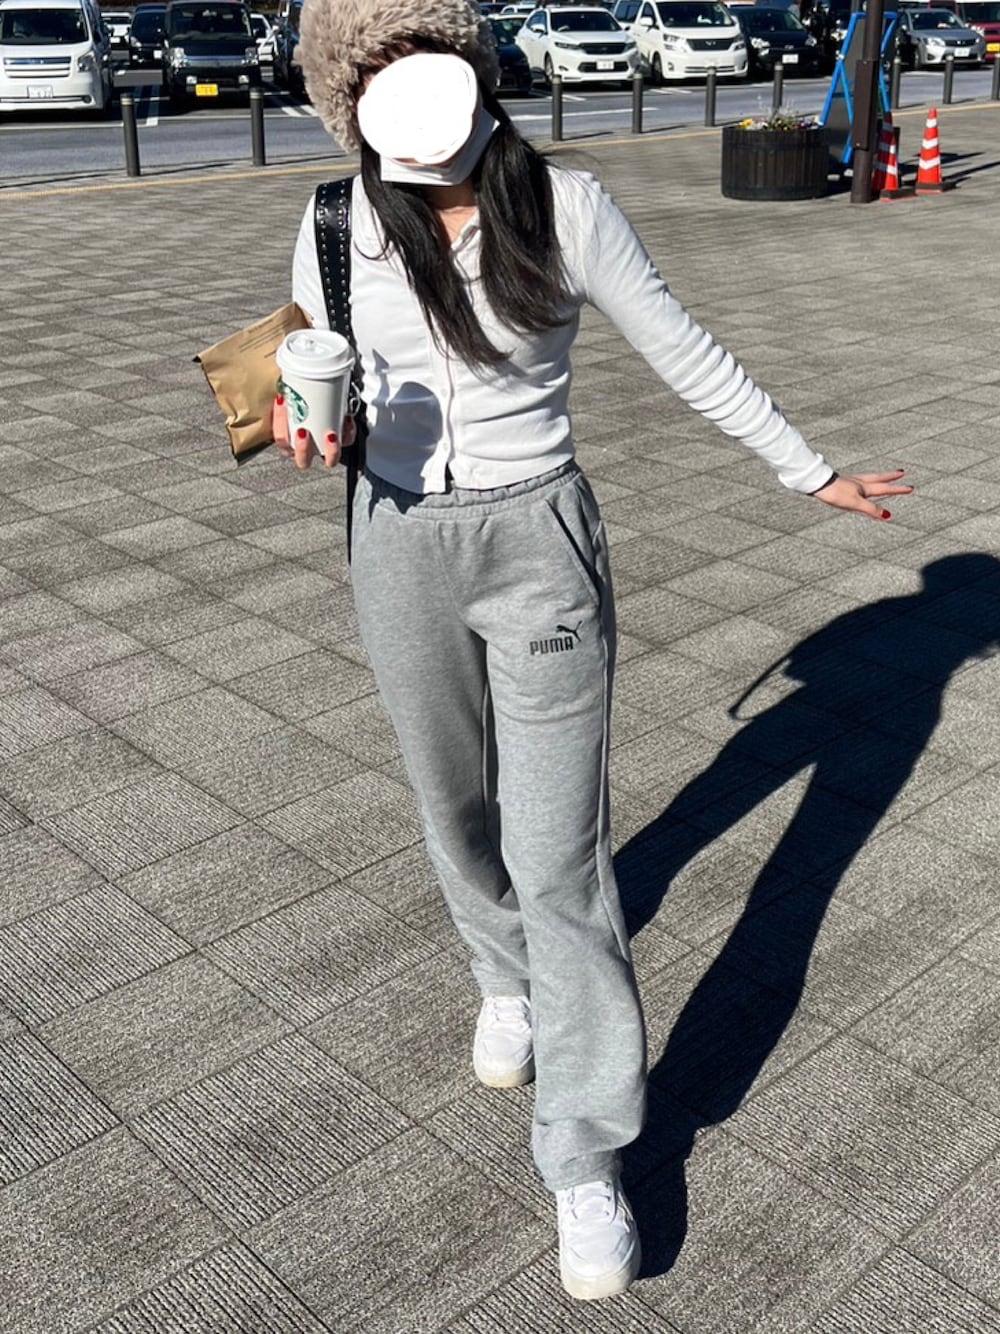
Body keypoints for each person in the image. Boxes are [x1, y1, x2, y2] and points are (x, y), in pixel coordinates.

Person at [272, 0, 911, 1302]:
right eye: (373, 77)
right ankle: (500, 975)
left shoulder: (564, 207)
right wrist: (305, 418)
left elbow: (685, 348)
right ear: (350, 102)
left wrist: (809, 469)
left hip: (540, 543)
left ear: (469, 71)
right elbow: (308, 361)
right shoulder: (338, 221)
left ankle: (582, 1152)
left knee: (561, 859)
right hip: (395, 539)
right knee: (454, 807)